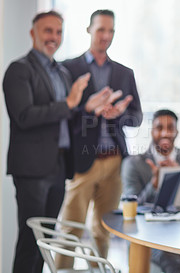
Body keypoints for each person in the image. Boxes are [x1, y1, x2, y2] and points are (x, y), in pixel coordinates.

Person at [2, 11, 91, 273]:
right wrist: (69, 103)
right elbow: (24, 116)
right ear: (33, 34)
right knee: (30, 241)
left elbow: (66, 114)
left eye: (58, 32)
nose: (54, 37)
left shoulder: (62, 73)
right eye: (48, 31)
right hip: (31, 169)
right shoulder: (19, 70)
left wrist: (88, 109)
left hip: (59, 166)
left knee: (47, 240)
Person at [55, 9, 143, 269]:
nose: (106, 36)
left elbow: (136, 117)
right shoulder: (68, 69)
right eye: (101, 30)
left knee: (103, 229)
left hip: (114, 160)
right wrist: (88, 110)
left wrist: (120, 114)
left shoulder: (124, 73)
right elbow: (63, 115)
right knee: (71, 228)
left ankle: (99, 269)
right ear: (89, 30)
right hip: (82, 162)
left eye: (111, 31)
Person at [121, 109, 180, 273]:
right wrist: (155, 184)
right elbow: (132, 206)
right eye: (159, 127)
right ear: (152, 131)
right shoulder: (134, 164)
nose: (165, 132)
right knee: (171, 261)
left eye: (170, 127)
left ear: (177, 131)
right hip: (149, 235)